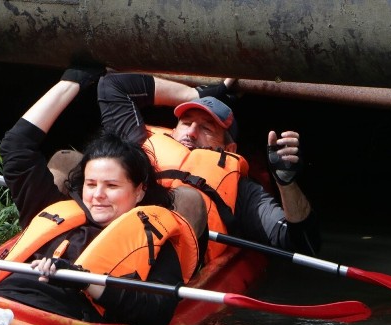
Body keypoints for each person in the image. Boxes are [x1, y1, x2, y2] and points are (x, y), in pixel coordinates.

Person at [0, 70, 199, 325]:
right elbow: (16, 147)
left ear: (140, 191)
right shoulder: (48, 208)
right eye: (91, 184)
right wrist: (73, 81)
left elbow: (156, 315)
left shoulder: (156, 243)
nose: (97, 195)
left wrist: (87, 282)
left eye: (112, 186)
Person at [96, 72, 321, 260]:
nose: (192, 132)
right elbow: (112, 84)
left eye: (207, 129)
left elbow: (303, 244)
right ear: (173, 129)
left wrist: (286, 183)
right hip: (104, 236)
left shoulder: (242, 191)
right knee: (66, 161)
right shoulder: (137, 142)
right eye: (185, 123)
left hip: (163, 263)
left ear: (229, 149)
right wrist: (199, 93)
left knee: (187, 198)